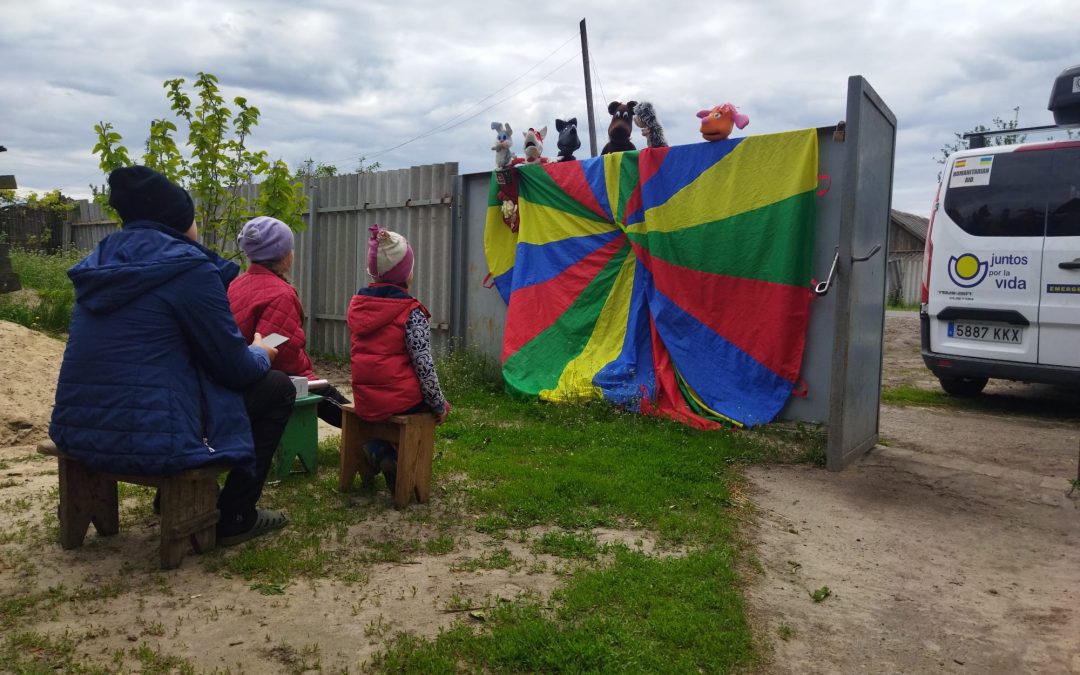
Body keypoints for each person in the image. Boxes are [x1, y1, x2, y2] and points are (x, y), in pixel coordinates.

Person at [50, 166, 293, 546]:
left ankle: (173, 497)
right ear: (181, 222)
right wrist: (261, 353)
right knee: (277, 389)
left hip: (80, 428)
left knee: (166, 380)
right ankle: (235, 516)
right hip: (151, 436)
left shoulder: (98, 264)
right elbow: (235, 368)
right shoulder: (188, 268)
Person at [347, 224, 450, 488]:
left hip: (365, 399)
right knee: (425, 405)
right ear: (406, 274)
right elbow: (424, 366)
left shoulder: (359, 305)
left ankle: (380, 449)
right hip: (399, 401)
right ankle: (390, 454)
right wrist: (439, 404)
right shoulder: (410, 312)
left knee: (394, 401)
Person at [228, 216, 351, 427]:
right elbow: (281, 350)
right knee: (331, 399)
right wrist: (305, 372)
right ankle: (368, 436)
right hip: (270, 377)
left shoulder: (236, 284)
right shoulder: (280, 294)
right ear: (284, 255)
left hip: (238, 372)